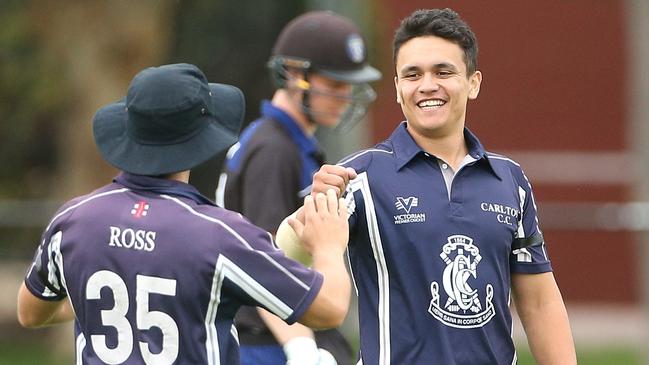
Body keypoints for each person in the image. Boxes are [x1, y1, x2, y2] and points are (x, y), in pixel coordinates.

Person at [16, 63, 352, 365]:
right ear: (201, 138)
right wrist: (329, 245)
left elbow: (30, 313)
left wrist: (122, 295)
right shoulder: (219, 235)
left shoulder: (73, 221)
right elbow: (329, 308)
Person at [302, 8, 578, 365]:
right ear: (399, 89)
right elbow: (289, 258)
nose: (427, 85)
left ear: (473, 83)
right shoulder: (356, 177)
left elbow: (539, 302)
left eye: (443, 71)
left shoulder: (511, 181)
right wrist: (311, 211)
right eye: (412, 74)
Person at [215, 10, 381, 365]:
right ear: (295, 75)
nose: (346, 95)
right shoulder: (274, 151)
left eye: (349, 84)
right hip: (265, 340)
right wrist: (300, 349)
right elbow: (268, 262)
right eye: (334, 84)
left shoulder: (287, 143)